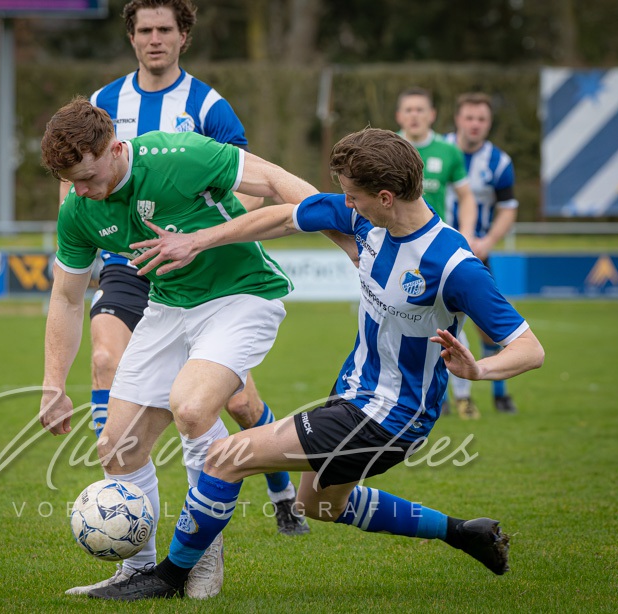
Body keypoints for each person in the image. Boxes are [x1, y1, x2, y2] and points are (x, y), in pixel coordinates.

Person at [85, 127, 545, 601]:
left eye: (352, 196)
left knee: (226, 459)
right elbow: (285, 217)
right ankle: (465, 532)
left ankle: (168, 578)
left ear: (386, 197)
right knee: (319, 504)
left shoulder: (453, 265)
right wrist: (199, 240)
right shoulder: (367, 221)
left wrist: (479, 370)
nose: (345, 204)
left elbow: (529, 348)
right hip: (354, 394)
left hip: (391, 416)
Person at [39, 96, 324, 599]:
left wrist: (351, 232)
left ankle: (202, 550)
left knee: (192, 408)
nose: (80, 191)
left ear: (115, 148)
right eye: (70, 182)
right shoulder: (78, 211)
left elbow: (275, 180)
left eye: (86, 177)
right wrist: (53, 384)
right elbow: (65, 298)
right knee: (116, 447)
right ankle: (138, 571)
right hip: (168, 308)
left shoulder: (179, 154)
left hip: (242, 295)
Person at [70, 0, 309, 550]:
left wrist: (208, 240)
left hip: (207, 267)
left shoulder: (207, 106)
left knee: (236, 403)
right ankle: (120, 488)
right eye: (145, 30)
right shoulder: (103, 103)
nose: (154, 39)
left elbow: (248, 184)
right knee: (105, 358)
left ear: (183, 37)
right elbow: (77, 183)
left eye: (165, 29)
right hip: (130, 264)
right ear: (131, 37)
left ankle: (275, 489)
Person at [396, 86, 480, 419]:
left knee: (449, 326)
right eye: (408, 110)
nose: (414, 115)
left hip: (436, 253)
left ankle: (463, 397)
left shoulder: (448, 152)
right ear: (399, 116)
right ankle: (415, 396)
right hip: (397, 251)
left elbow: (467, 196)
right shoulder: (388, 148)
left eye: (420, 109)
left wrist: (468, 233)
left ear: (431, 115)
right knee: (400, 325)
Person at [444, 92, 522, 416]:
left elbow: (508, 208)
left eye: (481, 119)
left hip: (475, 252)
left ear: (489, 124)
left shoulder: (499, 162)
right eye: (469, 117)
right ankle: (441, 399)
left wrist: (488, 240)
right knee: (429, 323)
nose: (474, 124)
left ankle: (499, 394)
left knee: (488, 325)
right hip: (433, 250)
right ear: (457, 119)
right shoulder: (437, 150)